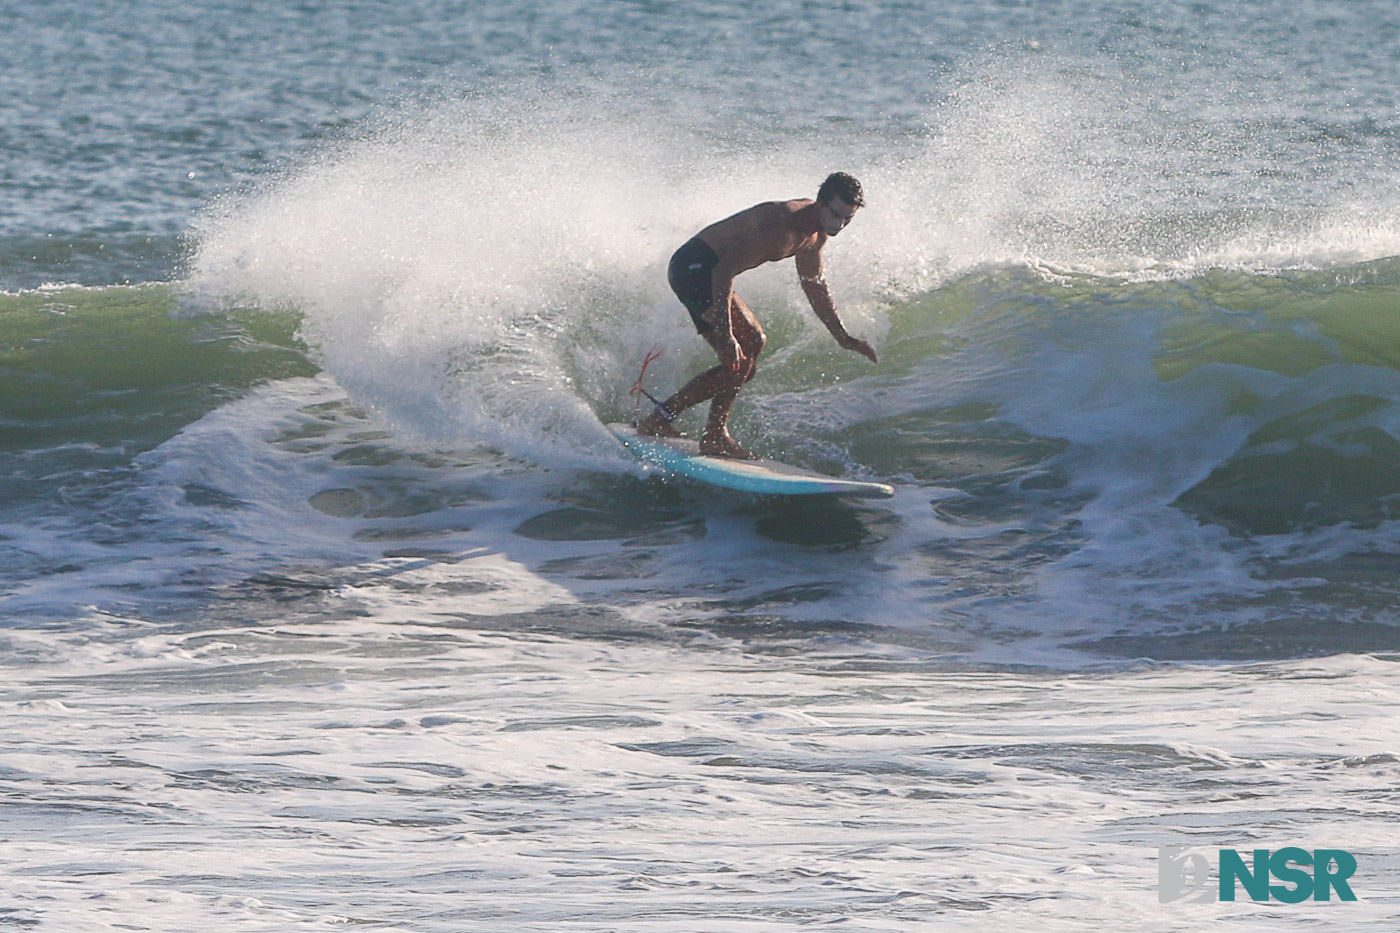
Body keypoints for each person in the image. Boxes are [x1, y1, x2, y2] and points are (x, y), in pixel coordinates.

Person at [637, 172, 878, 459]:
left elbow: (813, 284)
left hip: (710, 274)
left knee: (742, 367)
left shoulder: (815, 236)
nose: (839, 225)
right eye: (836, 214)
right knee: (749, 342)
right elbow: (723, 272)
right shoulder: (778, 225)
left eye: (847, 218)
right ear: (820, 202)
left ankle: (660, 419)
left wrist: (843, 336)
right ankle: (713, 435)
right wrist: (726, 336)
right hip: (694, 269)